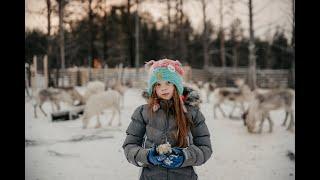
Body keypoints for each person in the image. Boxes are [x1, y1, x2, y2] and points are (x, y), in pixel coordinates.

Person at [122, 59, 212, 180]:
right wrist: (148, 156)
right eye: (158, 84)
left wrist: (184, 156)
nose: (163, 88)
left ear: (176, 85)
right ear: (153, 88)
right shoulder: (143, 112)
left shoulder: (192, 113)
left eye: (168, 82)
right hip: (151, 176)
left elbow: (205, 148)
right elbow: (129, 146)